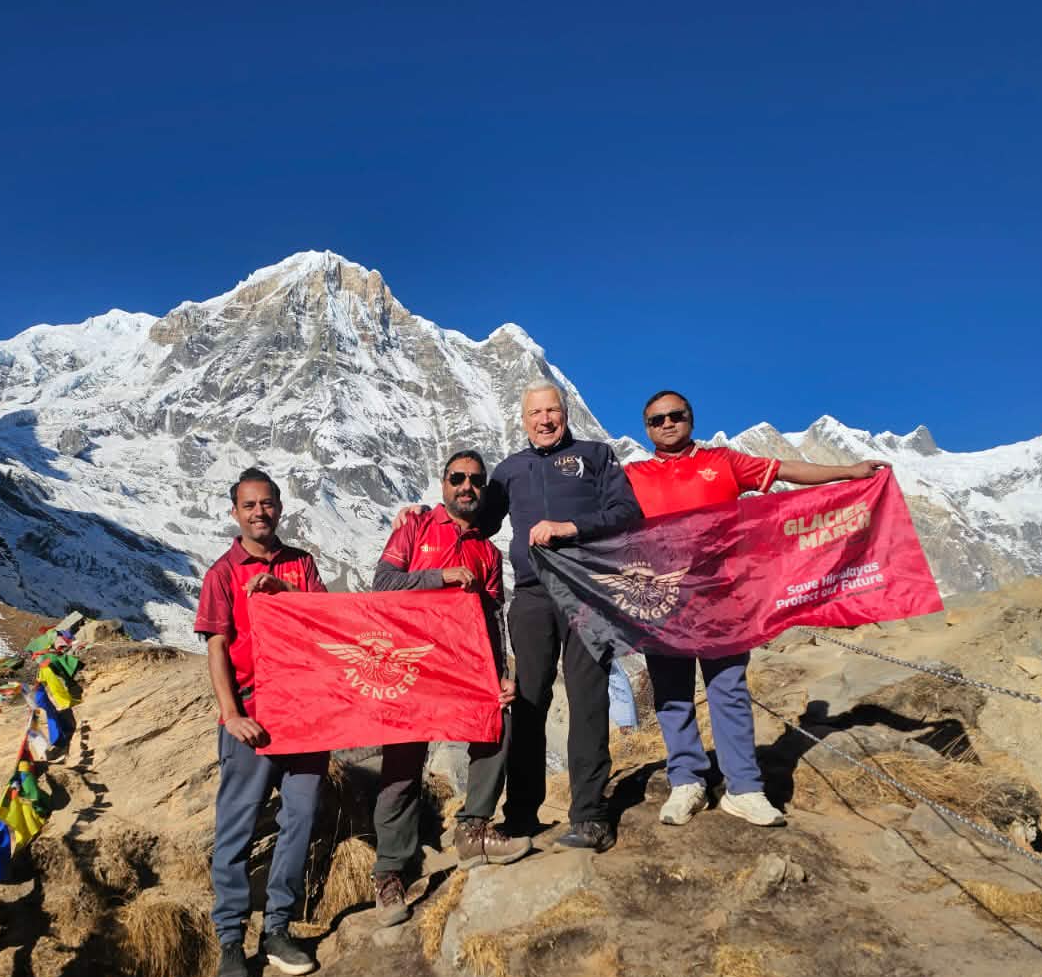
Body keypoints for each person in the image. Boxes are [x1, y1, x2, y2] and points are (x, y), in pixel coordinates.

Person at [626, 390, 888, 829]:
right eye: (657, 420)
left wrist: (848, 471)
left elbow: (786, 471)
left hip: (725, 597)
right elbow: (590, 508)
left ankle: (744, 789)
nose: (667, 424)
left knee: (727, 689)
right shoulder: (632, 475)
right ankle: (686, 782)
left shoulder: (724, 462)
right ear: (647, 428)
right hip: (665, 600)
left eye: (676, 416)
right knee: (672, 694)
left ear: (691, 418)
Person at [480, 382, 642, 853]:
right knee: (528, 703)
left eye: (552, 410)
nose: (544, 420)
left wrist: (571, 528)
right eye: (535, 413)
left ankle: (591, 816)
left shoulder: (596, 455)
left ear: (564, 413)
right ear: (523, 418)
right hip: (531, 596)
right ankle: (521, 816)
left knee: (589, 699)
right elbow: (477, 522)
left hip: (587, 591)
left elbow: (627, 512)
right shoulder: (509, 470)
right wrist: (425, 518)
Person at [369, 451, 526, 925]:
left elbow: (493, 619)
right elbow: (383, 583)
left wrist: (502, 673)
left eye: (476, 480)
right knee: (401, 765)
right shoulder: (414, 528)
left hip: (464, 667)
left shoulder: (490, 553)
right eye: (458, 478)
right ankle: (391, 872)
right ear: (443, 484)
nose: (467, 486)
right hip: (412, 666)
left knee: (497, 722)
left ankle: (473, 829)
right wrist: (440, 577)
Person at [194, 467, 330, 977]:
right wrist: (231, 715)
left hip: (304, 718)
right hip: (251, 716)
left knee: (301, 818)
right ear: (235, 513)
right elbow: (216, 648)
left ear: (279, 507)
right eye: (249, 505)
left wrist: (285, 597)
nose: (260, 513)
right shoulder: (222, 573)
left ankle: (277, 929)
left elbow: (323, 628)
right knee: (237, 827)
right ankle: (230, 941)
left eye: (268, 503)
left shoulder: (302, 565)